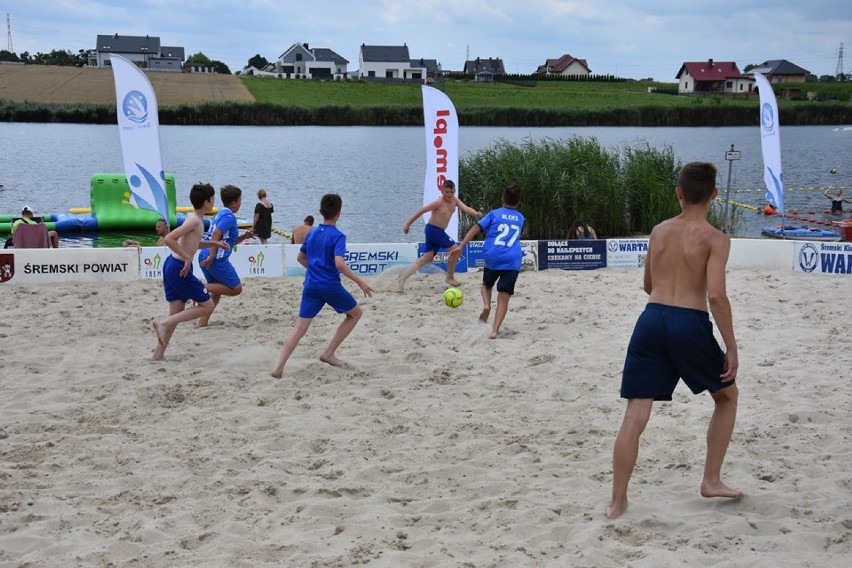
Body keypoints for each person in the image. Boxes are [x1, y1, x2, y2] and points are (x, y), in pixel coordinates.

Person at [606, 162, 741, 520]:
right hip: (689, 322)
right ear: (714, 194)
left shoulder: (659, 231)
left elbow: (648, 285)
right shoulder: (716, 238)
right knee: (727, 396)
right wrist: (731, 346)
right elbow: (716, 297)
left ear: (678, 193)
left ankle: (617, 501)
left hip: (651, 319)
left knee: (635, 413)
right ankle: (710, 479)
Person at [271, 194, 373, 378]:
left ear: (320, 212)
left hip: (311, 285)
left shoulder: (312, 233)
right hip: (329, 285)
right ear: (339, 214)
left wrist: (315, 269)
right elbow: (339, 263)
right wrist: (361, 281)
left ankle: (278, 368)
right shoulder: (338, 236)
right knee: (355, 313)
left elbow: (300, 258)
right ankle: (328, 353)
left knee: (299, 328)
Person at [152, 183, 230, 361]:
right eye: (213, 199)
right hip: (179, 267)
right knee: (207, 306)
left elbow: (194, 243)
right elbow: (170, 238)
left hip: (172, 265)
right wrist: (187, 258)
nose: (214, 202)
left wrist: (214, 243)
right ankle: (161, 323)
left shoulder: (195, 218)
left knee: (177, 310)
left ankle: (158, 354)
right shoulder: (195, 220)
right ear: (206, 202)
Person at [457, 183, 525, 339]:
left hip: (494, 255)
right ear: (518, 203)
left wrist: (461, 246)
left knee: (487, 285)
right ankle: (494, 330)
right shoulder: (521, 218)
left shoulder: (494, 214)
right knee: (504, 295)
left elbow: (475, 228)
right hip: (513, 259)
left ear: (502, 199)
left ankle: (487, 305)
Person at [399, 179, 482, 289]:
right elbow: (421, 211)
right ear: (442, 191)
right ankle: (450, 277)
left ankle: (402, 277)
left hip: (438, 232)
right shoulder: (438, 203)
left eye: (451, 192)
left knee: (426, 258)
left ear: (454, 191)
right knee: (455, 250)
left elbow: (466, 209)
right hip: (433, 230)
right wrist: (407, 225)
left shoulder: (455, 201)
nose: (449, 194)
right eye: (447, 192)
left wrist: (476, 213)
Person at [196, 184, 255, 328]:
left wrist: (244, 237)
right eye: (240, 200)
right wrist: (211, 256)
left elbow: (228, 241)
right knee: (236, 288)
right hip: (215, 258)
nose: (241, 204)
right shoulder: (229, 216)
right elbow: (216, 234)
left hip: (206, 255)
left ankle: (201, 323)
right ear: (234, 202)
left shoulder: (221, 214)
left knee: (216, 293)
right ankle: (199, 286)